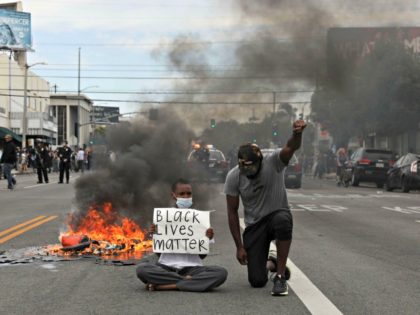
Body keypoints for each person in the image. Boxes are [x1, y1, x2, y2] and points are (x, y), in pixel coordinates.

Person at [224, 120, 306, 296]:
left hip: (276, 214)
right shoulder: (233, 177)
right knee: (257, 281)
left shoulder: (273, 161)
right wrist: (239, 246)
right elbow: (231, 212)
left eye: (251, 167)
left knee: (282, 220)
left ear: (260, 161)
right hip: (254, 226)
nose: (248, 172)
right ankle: (271, 263)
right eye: (243, 167)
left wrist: (297, 134)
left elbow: (291, 147)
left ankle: (280, 276)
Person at [136, 178, 228, 292]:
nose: (186, 197)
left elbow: (202, 256)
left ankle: (166, 285)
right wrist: (155, 234)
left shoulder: (199, 218)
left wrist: (207, 238)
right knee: (142, 269)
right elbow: (160, 254)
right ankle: (188, 282)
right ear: (174, 195)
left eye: (188, 194)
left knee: (221, 273)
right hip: (166, 267)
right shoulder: (164, 217)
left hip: (192, 269)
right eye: (182, 194)